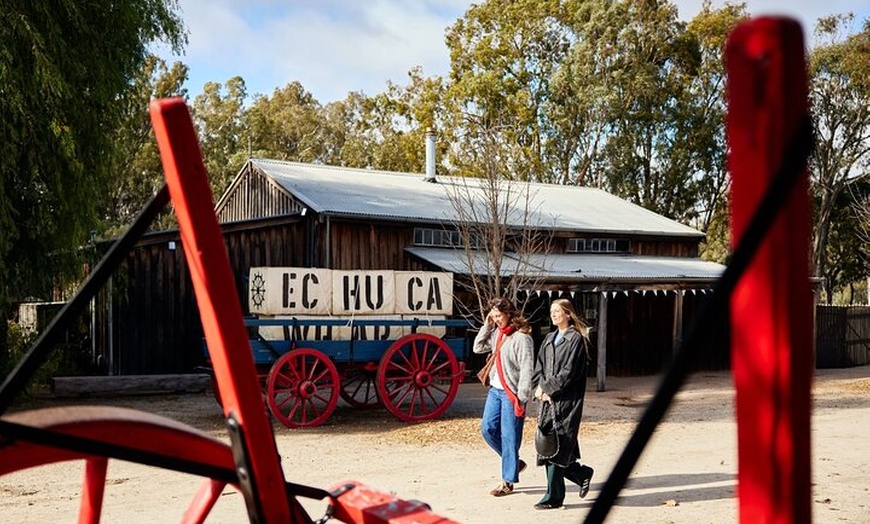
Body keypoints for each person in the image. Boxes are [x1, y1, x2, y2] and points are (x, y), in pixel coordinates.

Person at [531, 298, 594, 510]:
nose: (554, 314)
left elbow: (569, 373)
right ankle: (580, 473)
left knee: (557, 447)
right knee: (548, 444)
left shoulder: (575, 339)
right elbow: (538, 368)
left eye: (558, 311)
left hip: (567, 402)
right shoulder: (549, 338)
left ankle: (554, 497)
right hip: (547, 401)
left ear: (568, 314)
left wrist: (548, 388)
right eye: (551, 311)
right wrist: (538, 390)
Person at [473, 296, 535, 497]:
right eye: (494, 316)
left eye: (499, 316)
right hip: (495, 390)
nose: (497, 319)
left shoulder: (522, 338)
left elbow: (527, 368)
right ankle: (514, 463)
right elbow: (477, 347)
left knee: (510, 437)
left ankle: (507, 482)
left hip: (512, 393)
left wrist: (523, 397)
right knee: (487, 429)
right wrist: (487, 325)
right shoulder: (496, 334)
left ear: (509, 313)